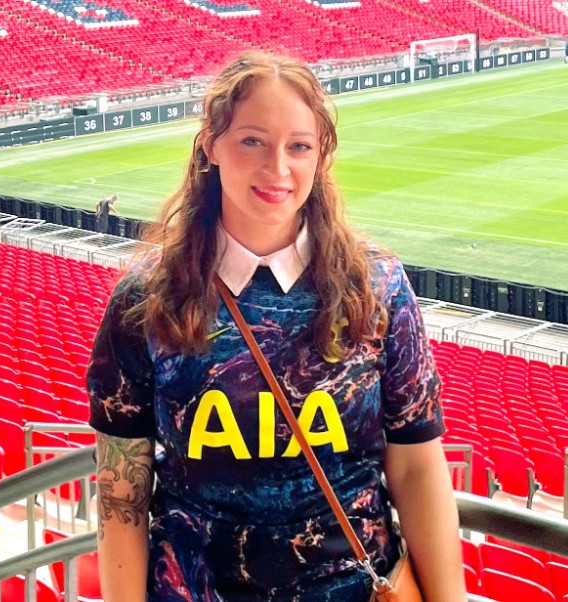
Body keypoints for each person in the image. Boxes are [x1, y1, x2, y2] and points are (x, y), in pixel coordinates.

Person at [86, 51, 466, 602]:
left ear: (320, 157)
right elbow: (122, 497)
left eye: (298, 146)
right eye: (252, 141)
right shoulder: (145, 299)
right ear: (212, 145)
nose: (278, 169)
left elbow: (415, 465)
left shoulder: (378, 286)